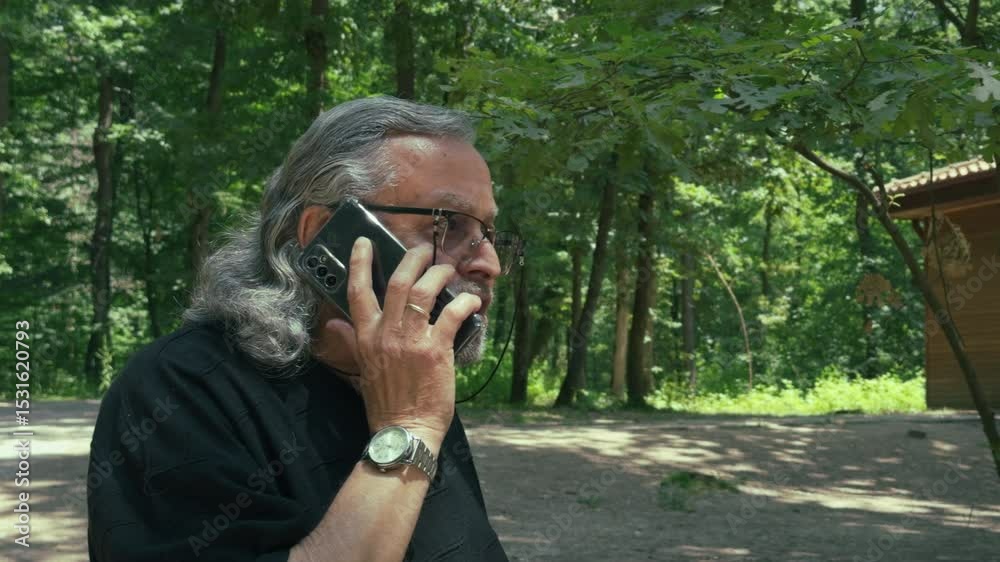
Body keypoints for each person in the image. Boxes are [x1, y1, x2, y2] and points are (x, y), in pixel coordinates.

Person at [87, 96, 517, 561]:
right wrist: (408, 430)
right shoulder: (180, 388)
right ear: (325, 233)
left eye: (489, 234)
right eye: (448, 225)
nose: (490, 263)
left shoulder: (409, 377)